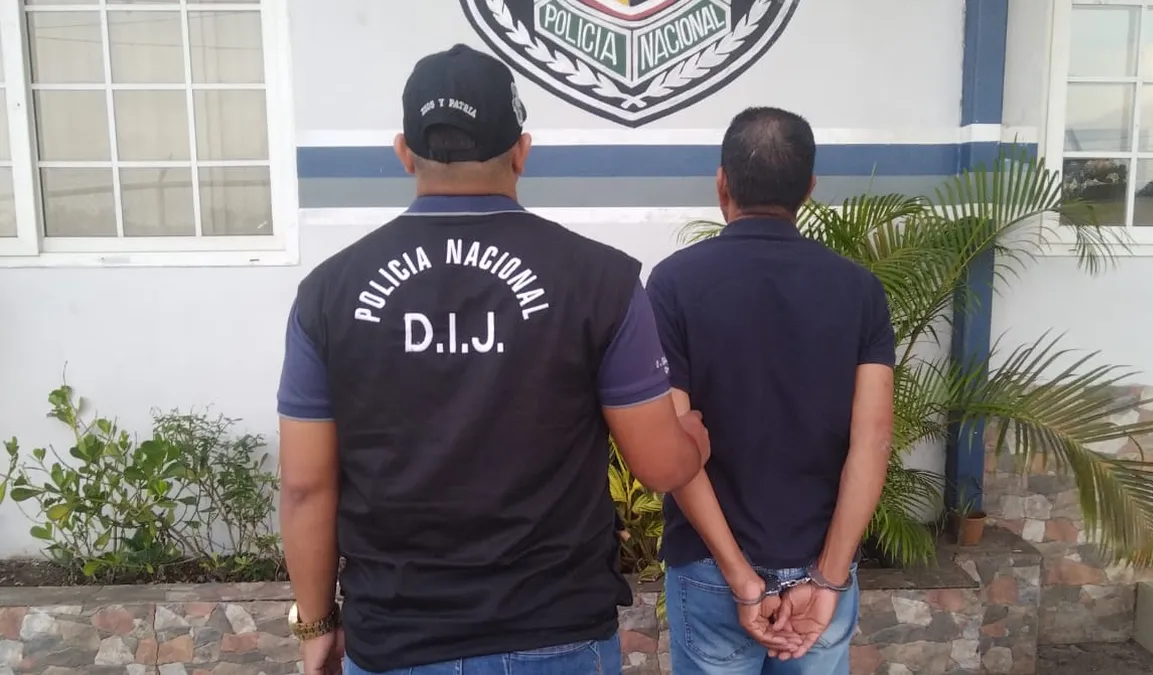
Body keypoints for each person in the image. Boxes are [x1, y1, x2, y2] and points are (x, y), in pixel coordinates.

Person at [275, 44, 711, 675]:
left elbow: (305, 486)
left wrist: (316, 624)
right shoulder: (601, 282)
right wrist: (691, 439)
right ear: (522, 152)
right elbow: (660, 465)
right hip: (556, 634)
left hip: (397, 640)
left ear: (404, 153)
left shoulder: (326, 294)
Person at [645, 106, 895, 675]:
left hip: (712, 570)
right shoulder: (859, 291)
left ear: (722, 183)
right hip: (819, 571)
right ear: (809, 189)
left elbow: (673, 441)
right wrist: (829, 577)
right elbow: (874, 441)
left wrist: (742, 578)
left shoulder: (673, 283)